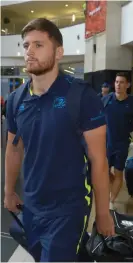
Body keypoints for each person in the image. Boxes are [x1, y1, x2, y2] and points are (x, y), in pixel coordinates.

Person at [4, 18, 114, 262]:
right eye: (26, 45)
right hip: (32, 205)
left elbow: (99, 160)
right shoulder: (16, 100)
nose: (29, 51)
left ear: (59, 52)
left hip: (69, 208)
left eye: (38, 45)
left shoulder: (81, 96)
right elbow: (14, 150)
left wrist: (103, 212)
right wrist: (9, 190)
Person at [102, 72, 133, 208]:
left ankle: (111, 201)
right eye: (116, 82)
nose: (118, 85)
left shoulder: (131, 103)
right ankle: (113, 188)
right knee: (104, 172)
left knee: (119, 173)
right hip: (106, 143)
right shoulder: (106, 100)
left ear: (128, 85)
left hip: (122, 144)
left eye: (121, 82)